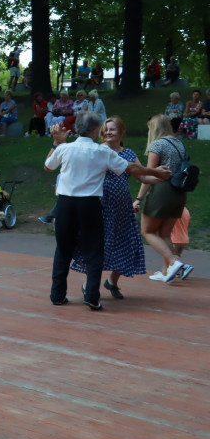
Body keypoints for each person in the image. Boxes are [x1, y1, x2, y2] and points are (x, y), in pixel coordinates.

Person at [44, 112, 170, 310]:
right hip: (89, 204)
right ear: (95, 131)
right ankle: (92, 297)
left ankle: (57, 295)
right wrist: (156, 171)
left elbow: (48, 167)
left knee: (63, 249)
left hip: (65, 204)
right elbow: (132, 169)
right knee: (94, 251)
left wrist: (56, 142)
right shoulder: (101, 151)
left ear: (77, 129)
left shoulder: (65, 148)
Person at [67, 117, 150, 300]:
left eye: (112, 129)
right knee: (98, 245)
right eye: (106, 129)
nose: (108, 132)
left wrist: (142, 195)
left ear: (122, 132)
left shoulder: (128, 153)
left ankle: (112, 281)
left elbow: (143, 176)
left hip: (122, 209)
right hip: (100, 206)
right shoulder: (98, 150)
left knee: (126, 244)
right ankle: (89, 283)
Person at [135, 115, 195, 283]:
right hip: (179, 193)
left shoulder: (158, 144)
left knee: (147, 231)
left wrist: (138, 198)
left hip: (162, 191)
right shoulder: (179, 143)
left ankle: (175, 262)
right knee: (165, 233)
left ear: (154, 128)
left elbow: (149, 173)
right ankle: (167, 271)